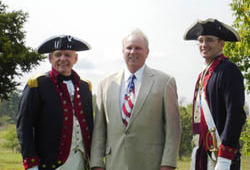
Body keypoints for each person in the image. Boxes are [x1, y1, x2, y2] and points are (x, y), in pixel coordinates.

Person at [90, 29, 181, 170]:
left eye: (138, 48)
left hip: (151, 165)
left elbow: (173, 130)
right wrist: (96, 163)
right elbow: (99, 130)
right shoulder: (105, 84)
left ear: (147, 52)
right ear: (122, 51)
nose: (133, 52)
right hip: (114, 164)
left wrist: (168, 164)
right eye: (129, 48)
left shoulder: (165, 82)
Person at [17, 35, 94, 170]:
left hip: (82, 161)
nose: (62, 59)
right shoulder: (37, 85)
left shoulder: (84, 86)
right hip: (50, 163)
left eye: (67, 55)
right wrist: (31, 163)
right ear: (50, 58)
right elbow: (25, 126)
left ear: (75, 59)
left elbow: (90, 124)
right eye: (58, 55)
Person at [183, 18, 246, 170]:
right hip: (204, 156)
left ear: (221, 43)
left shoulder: (228, 70)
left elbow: (236, 114)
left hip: (222, 157)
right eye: (201, 40)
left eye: (209, 40)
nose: (204, 45)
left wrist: (225, 157)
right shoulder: (203, 75)